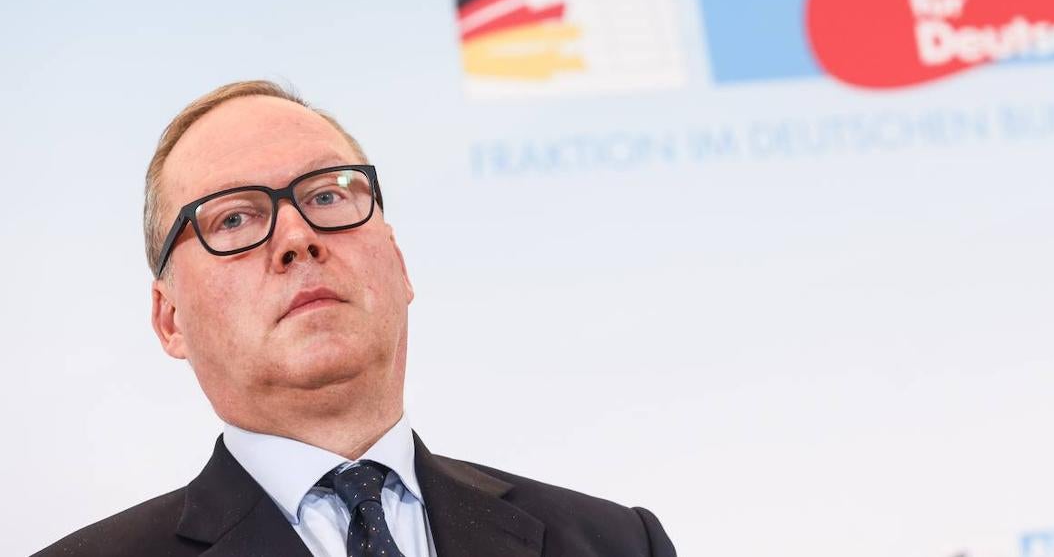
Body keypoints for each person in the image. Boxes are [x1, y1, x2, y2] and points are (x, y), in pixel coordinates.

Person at [34, 80, 677, 557]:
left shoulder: (619, 542)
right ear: (169, 319)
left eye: (326, 195)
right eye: (234, 217)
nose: (297, 237)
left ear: (399, 264)